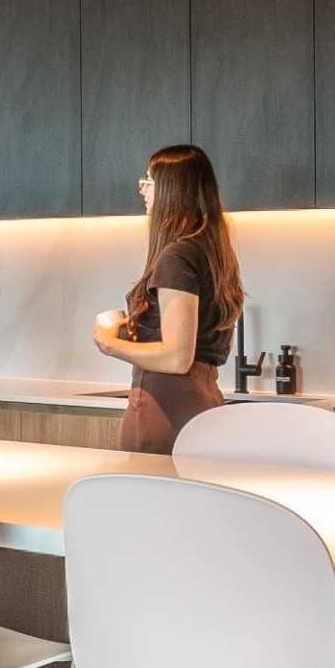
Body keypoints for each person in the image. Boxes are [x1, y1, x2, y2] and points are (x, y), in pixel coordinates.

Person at [90, 143, 246, 454]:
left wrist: (110, 344)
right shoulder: (209, 250)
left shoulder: (176, 256)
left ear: (171, 191)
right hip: (202, 399)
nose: (143, 190)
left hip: (165, 404)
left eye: (149, 181)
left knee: (151, 498)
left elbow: (176, 358)